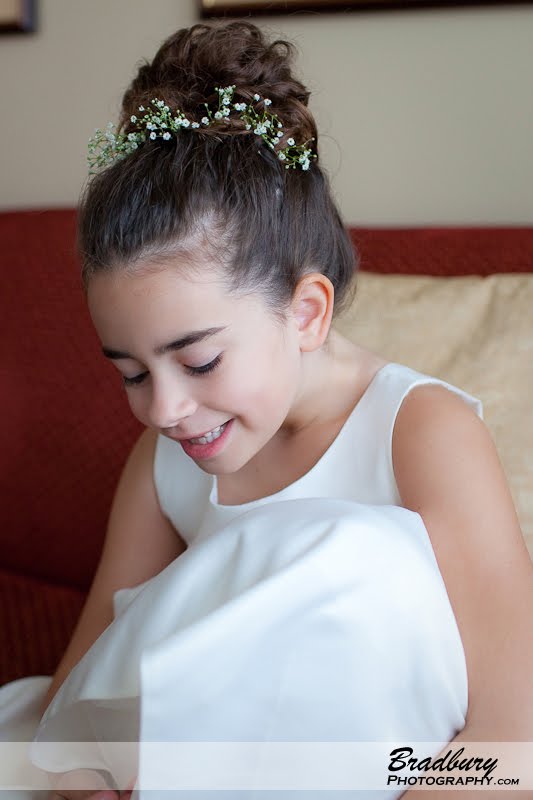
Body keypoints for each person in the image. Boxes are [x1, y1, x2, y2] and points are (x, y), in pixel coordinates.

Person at [1, 18, 532, 800]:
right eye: (131, 374)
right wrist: (82, 774)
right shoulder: (167, 455)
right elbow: (78, 694)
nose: (164, 410)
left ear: (306, 313)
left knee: (359, 550)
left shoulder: (421, 434)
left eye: (199, 361)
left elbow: (513, 743)